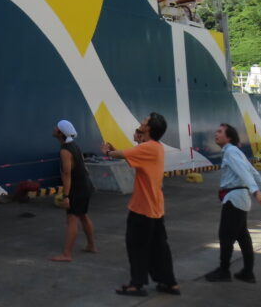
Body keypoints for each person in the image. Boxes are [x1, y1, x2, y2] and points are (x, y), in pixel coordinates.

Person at [102, 113, 180, 297]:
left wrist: (107, 151)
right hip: (156, 208)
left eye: (145, 121)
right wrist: (136, 139)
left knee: (136, 246)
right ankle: (169, 283)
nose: (141, 121)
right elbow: (133, 153)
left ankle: (136, 285)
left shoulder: (148, 147)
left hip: (142, 208)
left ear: (149, 128)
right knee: (159, 248)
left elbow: (120, 154)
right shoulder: (156, 147)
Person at [205, 124, 261, 284]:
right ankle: (247, 272)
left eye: (220, 132)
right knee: (242, 236)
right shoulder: (236, 151)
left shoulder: (231, 152)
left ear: (229, 137)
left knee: (225, 236)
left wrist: (257, 192)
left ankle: (224, 271)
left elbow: (245, 173)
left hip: (234, 199)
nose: (216, 134)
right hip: (240, 198)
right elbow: (253, 172)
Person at [49, 119, 96, 262]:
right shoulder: (74, 145)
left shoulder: (65, 150)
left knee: (72, 219)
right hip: (85, 185)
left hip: (77, 188)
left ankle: (67, 254)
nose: (54, 128)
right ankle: (91, 245)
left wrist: (66, 196)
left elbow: (67, 174)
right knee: (83, 215)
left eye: (56, 127)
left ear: (60, 132)